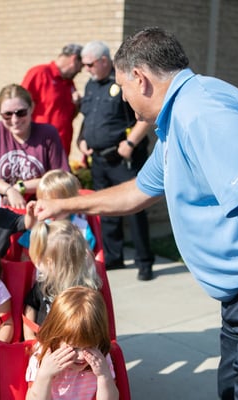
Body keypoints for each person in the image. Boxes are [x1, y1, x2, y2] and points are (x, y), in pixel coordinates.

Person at [35, 27, 238, 399]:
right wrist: (63, 205)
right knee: (234, 391)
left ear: (140, 78)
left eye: (123, 88)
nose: (125, 100)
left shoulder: (202, 112)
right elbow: (136, 192)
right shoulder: (177, 118)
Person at [77, 40, 154, 281]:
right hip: (99, 160)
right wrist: (82, 139)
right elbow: (87, 118)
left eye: (89, 64)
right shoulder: (91, 85)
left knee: (134, 210)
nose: (86, 69)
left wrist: (130, 144)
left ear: (102, 61)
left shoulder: (121, 82)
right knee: (106, 209)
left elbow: (146, 116)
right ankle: (114, 256)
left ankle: (144, 262)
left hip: (122, 159)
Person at [0, 84, 70, 210]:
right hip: (2, 210)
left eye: (21, 113)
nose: (15, 119)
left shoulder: (48, 134)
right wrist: (9, 190)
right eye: (7, 114)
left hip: (41, 210)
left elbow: (61, 178)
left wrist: (20, 187)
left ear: (32, 108)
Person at [25, 286, 118, 400]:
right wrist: (45, 375)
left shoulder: (100, 358)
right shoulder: (42, 357)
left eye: (89, 347)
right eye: (74, 348)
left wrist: (104, 376)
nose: (81, 356)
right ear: (56, 338)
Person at [23, 220, 101, 341]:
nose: (36, 263)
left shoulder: (84, 294)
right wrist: (29, 336)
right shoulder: (44, 284)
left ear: (52, 264)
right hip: (42, 343)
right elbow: (31, 306)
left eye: (40, 260)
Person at [21, 44, 83, 156]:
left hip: (62, 149)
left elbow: (69, 117)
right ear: (74, 59)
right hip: (40, 146)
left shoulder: (70, 83)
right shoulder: (39, 73)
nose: (80, 71)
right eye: (81, 66)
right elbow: (20, 106)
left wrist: (76, 105)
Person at [18, 169, 96, 251]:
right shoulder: (40, 226)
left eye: (53, 204)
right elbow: (26, 253)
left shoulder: (80, 227)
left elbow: (89, 254)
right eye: (44, 203)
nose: (49, 209)